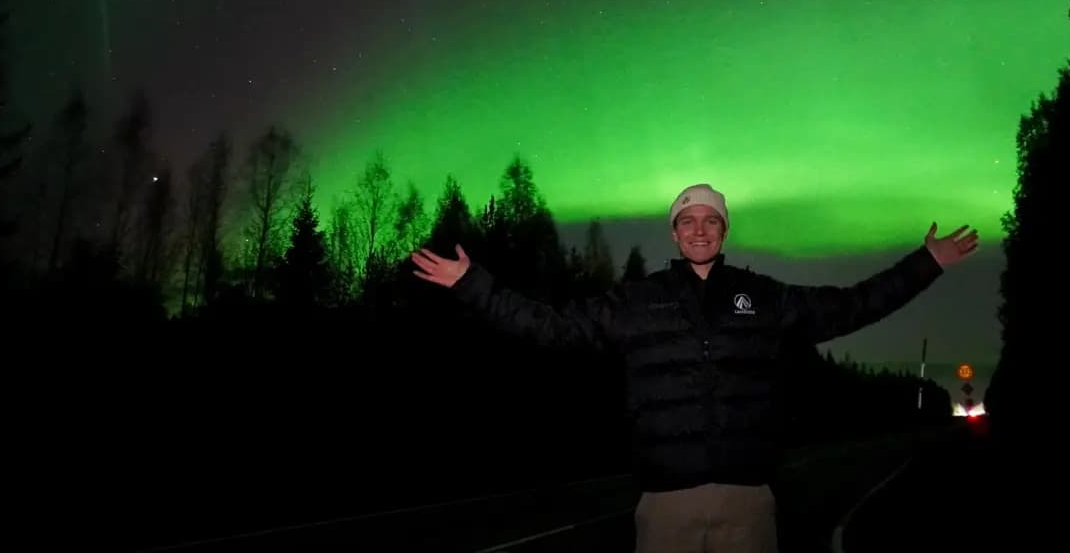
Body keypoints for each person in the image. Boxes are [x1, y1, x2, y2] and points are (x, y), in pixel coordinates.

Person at [411, 181, 978, 553]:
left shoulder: (763, 297)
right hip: (666, 506)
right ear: (674, 233)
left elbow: (855, 304)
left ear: (724, 230)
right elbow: (551, 325)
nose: (700, 229)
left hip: (748, 503)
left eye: (711, 220)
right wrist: (472, 285)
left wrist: (927, 262)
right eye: (688, 221)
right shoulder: (638, 301)